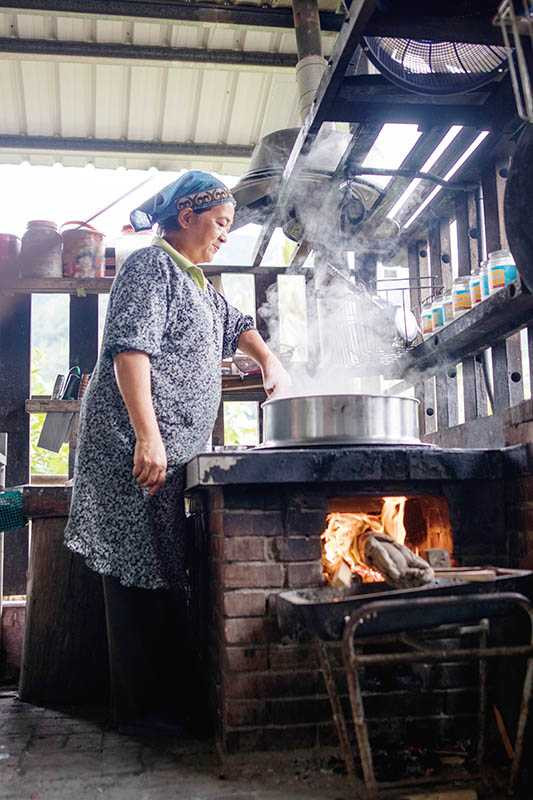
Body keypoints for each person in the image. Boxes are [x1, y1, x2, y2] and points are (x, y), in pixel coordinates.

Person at [64, 170, 290, 736]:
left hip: (168, 450)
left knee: (164, 567)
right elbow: (130, 353)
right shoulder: (151, 266)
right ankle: (139, 716)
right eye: (219, 224)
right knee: (135, 572)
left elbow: (235, 323)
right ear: (186, 217)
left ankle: (163, 707)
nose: (224, 237)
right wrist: (148, 434)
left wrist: (269, 361)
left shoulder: (195, 280)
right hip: (133, 446)